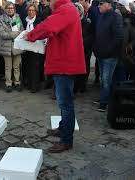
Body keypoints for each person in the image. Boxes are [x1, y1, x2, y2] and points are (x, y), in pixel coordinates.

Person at [25, 0, 86, 153]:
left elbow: (48, 25)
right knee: (63, 102)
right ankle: (63, 128)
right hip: (65, 62)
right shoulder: (67, 8)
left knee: (65, 104)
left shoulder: (65, 9)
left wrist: (31, 35)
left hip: (65, 64)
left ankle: (66, 141)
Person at [93, 0, 124, 112]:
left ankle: (104, 102)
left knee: (106, 79)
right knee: (103, 79)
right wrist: (96, 48)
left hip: (110, 55)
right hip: (101, 54)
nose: (99, 6)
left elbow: (119, 37)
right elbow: (98, 34)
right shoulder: (102, 16)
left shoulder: (116, 17)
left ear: (108, 4)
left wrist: (108, 49)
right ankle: (103, 98)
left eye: (101, 4)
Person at [0, 2, 24, 92]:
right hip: (6, 46)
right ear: (5, 9)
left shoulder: (17, 17)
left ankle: (17, 82)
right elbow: (2, 34)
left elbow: (22, 30)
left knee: (16, 66)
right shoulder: (0, 19)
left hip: (17, 46)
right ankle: (8, 83)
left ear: (14, 9)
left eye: (12, 8)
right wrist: (14, 34)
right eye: (8, 8)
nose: (10, 9)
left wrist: (15, 34)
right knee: (8, 67)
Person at [74, 2, 94, 93]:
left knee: (84, 67)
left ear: (81, 11)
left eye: (77, 10)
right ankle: (76, 86)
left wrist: (80, 43)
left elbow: (88, 36)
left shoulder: (86, 22)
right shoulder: (73, 22)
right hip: (75, 48)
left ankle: (82, 86)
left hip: (84, 49)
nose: (75, 12)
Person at [23, 3, 42, 93]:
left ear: (36, 12)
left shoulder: (39, 21)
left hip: (35, 47)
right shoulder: (24, 20)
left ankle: (35, 86)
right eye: (29, 10)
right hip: (25, 47)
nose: (31, 12)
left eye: (32, 10)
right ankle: (28, 84)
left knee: (35, 67)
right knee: (27, 66)